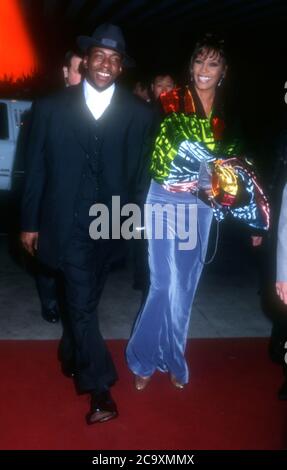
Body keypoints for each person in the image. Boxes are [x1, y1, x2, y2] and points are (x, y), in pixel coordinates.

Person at [20, 23, 153, 424]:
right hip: (67, 221)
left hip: (113, 221)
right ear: (86, 59)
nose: (105, 64)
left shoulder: (140, 114)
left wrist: (134, 226)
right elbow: (35, 170)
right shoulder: (50, 108)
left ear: (120, 67)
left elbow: (140, 177)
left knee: (86, 299)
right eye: (100, 56)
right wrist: (30, 222)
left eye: (115, 59)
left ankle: (70, 351)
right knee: (80, 302)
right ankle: (101, 390)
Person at [126, 34, 269, 391]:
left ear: (223, 71)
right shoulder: (170, 101)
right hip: (162, 198)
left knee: (185, 287)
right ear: (190, 66)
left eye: (212, 63)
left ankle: (173, 357)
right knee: (161, 283)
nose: (203, 70)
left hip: (199, 206)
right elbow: (150, 150)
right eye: (198, 62)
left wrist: (250, 213)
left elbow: (236, 165)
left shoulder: (229, 113)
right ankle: (142, 358)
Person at [34, 51, 83, 325]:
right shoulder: (47, 108)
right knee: (49, 260)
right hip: (52, 203)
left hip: (86, 206)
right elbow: (35, 166)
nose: (83, 76)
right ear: (65, 72)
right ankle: (49, 301)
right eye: (78, 70)